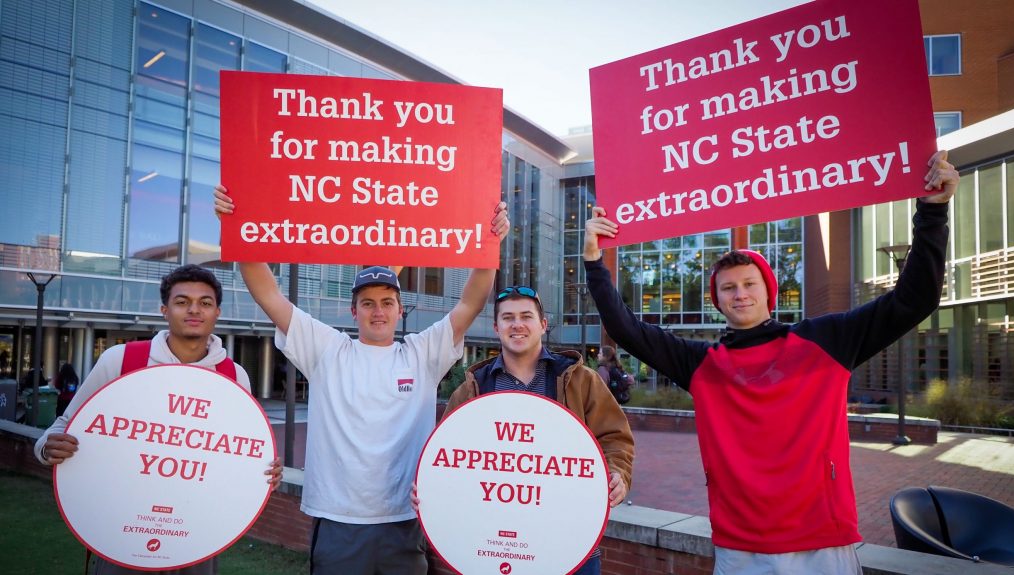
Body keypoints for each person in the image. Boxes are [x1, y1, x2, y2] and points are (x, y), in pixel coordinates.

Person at [582, 150, 959, 574]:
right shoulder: (701, 362)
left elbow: (915, 299)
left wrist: (932, 212)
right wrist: (595, 261)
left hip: (822, 540)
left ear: (768, 291)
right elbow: (626, 327)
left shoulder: (827, 340)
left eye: (749, 283)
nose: (740, 294)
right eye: (728, 288)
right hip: (740, 548)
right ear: (717, 301)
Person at [214, 185, 509, 575]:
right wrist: (236, 228)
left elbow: (471, 302)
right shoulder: (328, 350)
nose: (378, 311)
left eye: (387, 302)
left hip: (404, 520)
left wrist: (490, 245)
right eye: (368, 303)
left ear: (401, 311)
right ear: (354, 311)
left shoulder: (421, 354)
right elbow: (269, 294)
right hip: (339, 520)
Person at [35, 264, 283, 575]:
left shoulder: (234, 376)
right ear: (164, 309)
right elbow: (65, 425)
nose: (194, 310)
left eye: (205, 303)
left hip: (198, 530)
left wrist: (264, 471)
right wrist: (47, 447)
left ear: (217, 312)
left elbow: (240, 450)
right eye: (182, 302)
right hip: (122, 526)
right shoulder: (122, 359)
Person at [441, 285, 635, 575]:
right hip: (493, 547)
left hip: (570, 544)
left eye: (526, 316)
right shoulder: (473, 389)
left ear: (543, 325)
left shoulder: (581, 380)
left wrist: (617, 471)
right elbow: (447, 454)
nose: (517, 324)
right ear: (496, 327)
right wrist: (435, 486)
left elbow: (614, 437)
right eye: (507, 318)